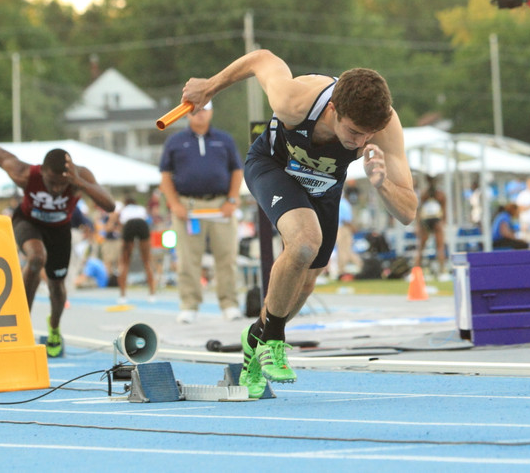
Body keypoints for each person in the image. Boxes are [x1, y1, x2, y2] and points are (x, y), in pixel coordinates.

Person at [178, 49, 417, 398]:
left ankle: (255, 339)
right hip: (273, 167)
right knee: (305, 242)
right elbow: (261, 59)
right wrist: (210, 87)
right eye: (353, 132)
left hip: (324, 188)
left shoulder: (385, 126)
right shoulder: (296, 100)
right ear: (334, 109)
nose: (361, 142)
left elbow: (408, 211)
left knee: (302, 285)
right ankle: (273, 338)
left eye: (369, 134)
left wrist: (382, 185)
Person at [0, 143, 116, 357]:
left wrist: (78, 182)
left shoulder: (80, 176)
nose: (57, 189)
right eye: (51, 183)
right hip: (28, 222)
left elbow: (110, 205)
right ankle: (22, 323)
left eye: (62, 184)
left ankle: (55, 326)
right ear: (42, 171)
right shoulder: (24, 173)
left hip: (59, 230)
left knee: (57, 284)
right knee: (36, 258)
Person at [159, 100, 245, 324]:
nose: (199, 114)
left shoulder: (224, 140)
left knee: (227, 257)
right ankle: (189, 304)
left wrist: (232, 200)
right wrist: (174, 204)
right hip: (188, 207)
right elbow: (165, 176)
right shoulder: (175, 141)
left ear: (211, 112)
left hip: (220, 205)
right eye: (195, 110)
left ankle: (229, 303)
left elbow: (237, 170)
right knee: (187, 258)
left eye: (204, 109)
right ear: (187, 113)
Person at [114, 195, 157, 304]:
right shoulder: (141, 208)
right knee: (147, 260)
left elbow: (120, 224)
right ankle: (152, 294)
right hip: (142, 224)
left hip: (129, 225)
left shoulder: (124, 210)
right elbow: (148, 220)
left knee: (125, 262)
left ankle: (122, 296)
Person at [415, 175, 448, 278]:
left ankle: (441, 271)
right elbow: (444, 211)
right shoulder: (436, 195)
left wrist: (418, 224)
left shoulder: (427, 194)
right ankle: (441, 272)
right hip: (432, 220)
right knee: (437, 247)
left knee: (424, 247)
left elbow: (419, 210)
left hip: (429, 220)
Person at [331, 188, 361, 280]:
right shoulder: (344, 204)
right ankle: (344, 270)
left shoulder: (338, 202)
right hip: (344, 229)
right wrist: (353, 228)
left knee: (343, 250)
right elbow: (346, 220)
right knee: (344, 250)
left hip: (339, 228)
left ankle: (343, 270)